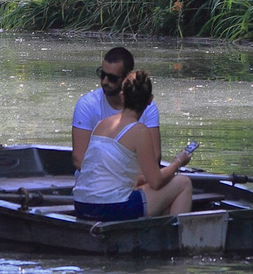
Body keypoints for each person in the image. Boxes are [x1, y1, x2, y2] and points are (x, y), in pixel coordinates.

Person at [71, 70, 196, 221]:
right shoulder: (140, 131)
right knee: (183, 183)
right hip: (111, 208)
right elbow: (156, 181)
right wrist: (178, 162)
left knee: (150, 192)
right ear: (150, 100)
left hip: (81, 206)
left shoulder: (101, 124)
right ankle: (177, 241)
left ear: (122, 96)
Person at [72, 46, 159, 168]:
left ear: (127, 78)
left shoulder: (147, 106)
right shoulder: (86, 104)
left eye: (112, 78)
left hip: (135, 179)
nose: (104, 82)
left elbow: (155, 157)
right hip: (98, 180)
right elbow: (79, 159)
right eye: (102, 74)